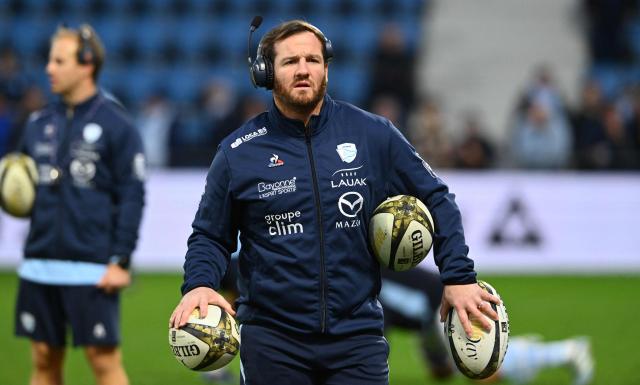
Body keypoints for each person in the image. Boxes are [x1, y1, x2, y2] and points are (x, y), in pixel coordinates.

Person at [169, 19, 500, 385]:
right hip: (272, 341)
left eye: (312, 59)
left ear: (326, 66)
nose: (303, 70)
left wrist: (458, 277)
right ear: (265, 74)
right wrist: (199, 284)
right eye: (290, 61)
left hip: (358, 338)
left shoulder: (374, 134)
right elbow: (209, 236)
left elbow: (437, 197)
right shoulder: (238, 152)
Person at [12, 24, 145, 385]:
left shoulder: (118, 125)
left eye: (58, 60)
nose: (48, 69)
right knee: (42, 361)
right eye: (49, 60)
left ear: (87, 64)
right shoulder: (37, 123)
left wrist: (120, 260)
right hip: (39, 263)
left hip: (92, 266)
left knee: (104, 363)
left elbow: (132, 197)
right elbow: (23, 186)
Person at [380, 268, 595, 385]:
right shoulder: (367, 272)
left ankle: (567, 352)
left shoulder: (365, 282)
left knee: (483, 372)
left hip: (445, 308)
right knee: (441, 373)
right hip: (427, 319)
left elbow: (378, 330)